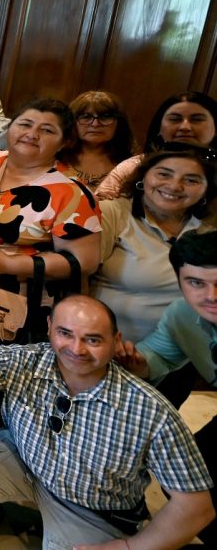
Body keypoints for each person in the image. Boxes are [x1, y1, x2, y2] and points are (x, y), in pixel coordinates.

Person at [0, 294, 214, 549]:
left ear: (116, 341)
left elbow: (195, 507)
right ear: (49, 327)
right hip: (24, 463)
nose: (76, 349)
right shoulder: (23, 360)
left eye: (93, 339)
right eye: (65, 333)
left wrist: (129, 548)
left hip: (91, 508)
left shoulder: (150, 410)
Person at [0, 99, 102, 338]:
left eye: (47, 130)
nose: (32, 134)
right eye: (25, 124)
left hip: (19, 304)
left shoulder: (71, 191)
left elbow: (84, 262)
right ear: (10, 127)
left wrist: (9, 264)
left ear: (64, 142)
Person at [116, 230, 217, 546]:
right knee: (188, 477)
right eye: (196, 283)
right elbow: (157, 355)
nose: (211, 295)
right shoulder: (181, 315)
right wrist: (137, 364)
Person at [92, 149, 214, 368]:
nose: (175, 186)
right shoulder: (112, 212)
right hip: (105, 352)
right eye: (164, 174)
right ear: (143, 177)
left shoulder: (208, 231)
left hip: (176, 357)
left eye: (191, 180)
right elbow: (78, 279)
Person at [97, 91, 217, 200]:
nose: (185, 127)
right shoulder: (133, 167)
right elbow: (97, 211)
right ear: (159, 128)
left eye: (196, 120)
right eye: (175, 119)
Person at [58, 90, 137, 193]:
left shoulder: (133, 165)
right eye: (86, 116)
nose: (95, 124)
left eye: (105, 116)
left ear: (120, 123)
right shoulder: (54, 156)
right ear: (72, 122)